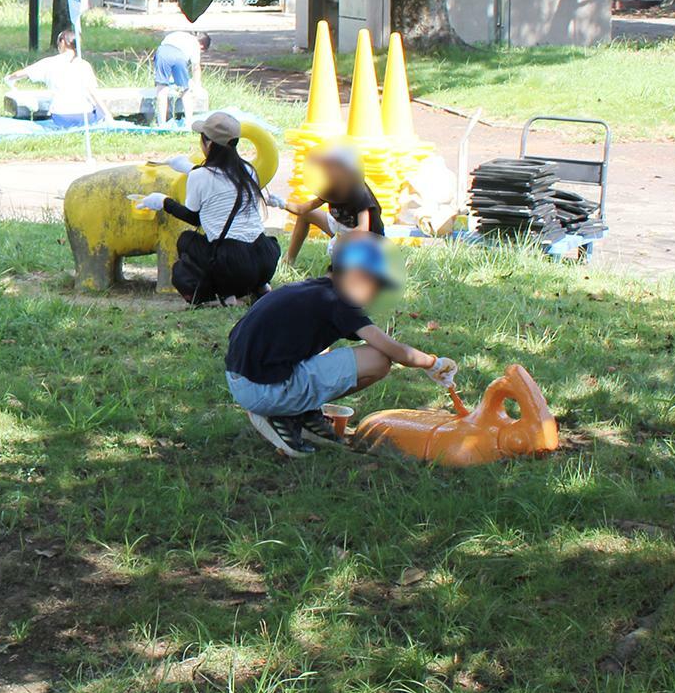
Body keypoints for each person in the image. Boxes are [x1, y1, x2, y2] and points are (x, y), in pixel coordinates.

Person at [224, 236, 457, 457]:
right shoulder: (338, 302)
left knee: (328, 355)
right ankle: (284, 414)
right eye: (375, 287)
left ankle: (299, 412)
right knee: (378, 360)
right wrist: (433, 363)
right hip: (266, 390)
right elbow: (393, 350)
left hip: (241, 380)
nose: (373, 297)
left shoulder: (307, 291)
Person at [135, 111, 279, 305]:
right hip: (264, 256)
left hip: (233, 263)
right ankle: (261, 286)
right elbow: (219, 180)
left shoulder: (199, 177)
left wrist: (163, 202)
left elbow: (195, 218)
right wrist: (187, 167)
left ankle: (224, 294)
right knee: (240, 255)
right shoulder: (248, 170)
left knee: (186, 241)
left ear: (209, 143)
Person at [284, 144, 387, 264]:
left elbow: (363, 228)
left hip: (366, 239)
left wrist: (341, 239)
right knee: (307, 215)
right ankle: (289, 260)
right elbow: (302, 210)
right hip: (342, 228)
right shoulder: (332, 187)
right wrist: (280, 203)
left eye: (330, 167)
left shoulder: (359, 192)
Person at [6, 29, 111, 128]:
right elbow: (93, 93)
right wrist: (107, 115)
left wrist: (9, 79)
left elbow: (21, 74)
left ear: (62, 42)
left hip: (61, 117)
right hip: (85, 116)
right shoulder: (84, 65)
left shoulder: (49, 63)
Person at [152, 29, 203, 123]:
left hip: (163, 51)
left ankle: (161, 123)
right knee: (186, 90)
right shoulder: (195, 44)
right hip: (180, 56)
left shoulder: (175, 34)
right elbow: (196, 67)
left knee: (162, 89)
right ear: (202, 46)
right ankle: (189, 122)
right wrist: (196, 85)